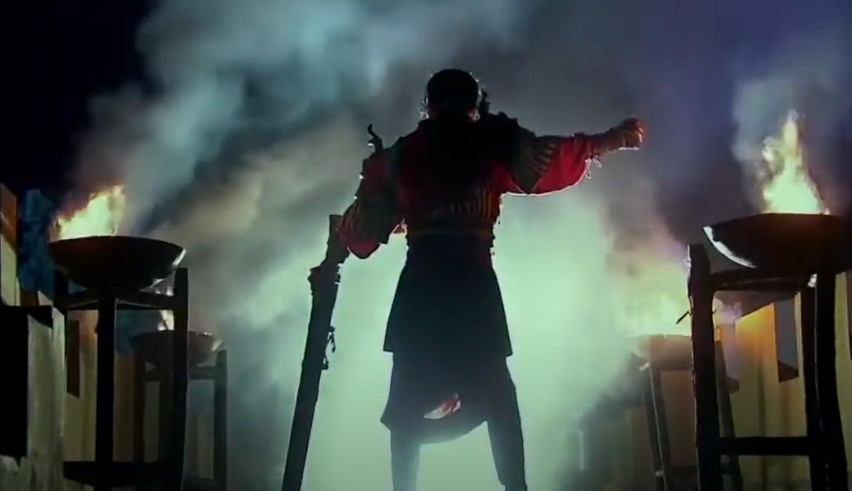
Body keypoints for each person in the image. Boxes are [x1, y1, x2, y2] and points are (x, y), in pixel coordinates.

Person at [328, 68, 645, 491]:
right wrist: (612, 139)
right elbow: (553, 157)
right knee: (496, 402)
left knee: (412, 404)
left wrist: (374, 196)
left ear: (429, 107)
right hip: (470, 288)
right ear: (475, 106)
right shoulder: (490, 143)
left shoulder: (408, 154)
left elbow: (362, 232)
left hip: (424, 291)